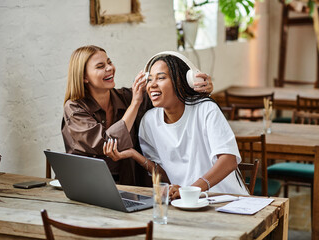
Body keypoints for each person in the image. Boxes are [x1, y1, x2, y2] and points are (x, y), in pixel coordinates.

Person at [62, 45, 213, 186]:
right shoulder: (74, 108)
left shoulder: (125, 96)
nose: (110, 68)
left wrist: (199, 87)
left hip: (127, 184)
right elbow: (106, 145)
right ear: (84, 77)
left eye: (109, 62)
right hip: (86, 184)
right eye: (100, 66)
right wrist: (135, 104)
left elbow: (171, 93)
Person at [103, 51, 248, 197]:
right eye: (150, 79)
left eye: (161, 78)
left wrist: (190, 190)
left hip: (225, 200)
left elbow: (229, 161)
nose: (152, 85)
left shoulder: (205, 109)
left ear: (181, 81)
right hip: (185, 203)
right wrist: (134, 154)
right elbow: (165, 176)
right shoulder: (149, 121)